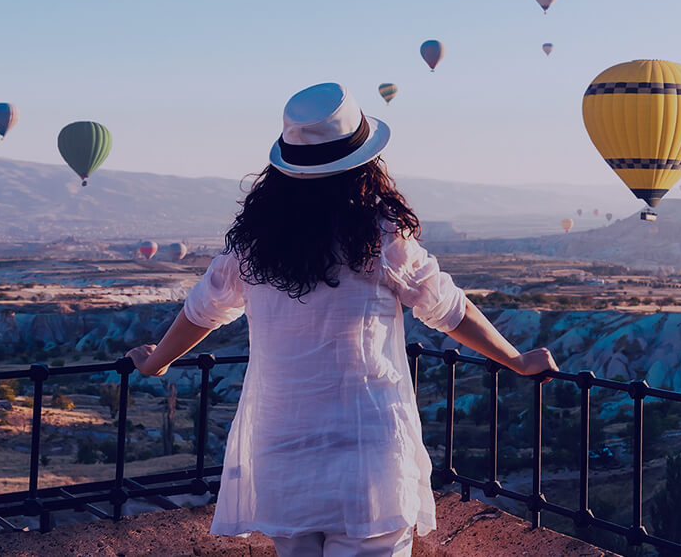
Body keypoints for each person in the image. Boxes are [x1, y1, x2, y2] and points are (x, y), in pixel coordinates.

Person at [128, 83, 557, 557]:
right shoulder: (381, 235)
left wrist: (155, 363)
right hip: (367, 451)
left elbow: (199, 313)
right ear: (363, 162)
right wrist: (515, 360)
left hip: (281, 449)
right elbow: (450, 310)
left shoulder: (251, 245)